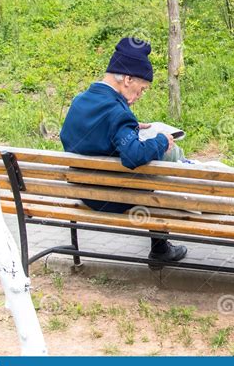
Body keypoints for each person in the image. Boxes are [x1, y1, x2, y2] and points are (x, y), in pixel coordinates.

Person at [60, 37, 187, 264]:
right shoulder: (118, 112)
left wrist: (128, 129)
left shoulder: (80, 102)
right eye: (141, 88)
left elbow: (73, 136)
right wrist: (160, 140)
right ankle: (160, 249)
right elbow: (133, 156)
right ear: (128, 78)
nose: (139, 96)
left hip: (83, 191)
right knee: (160, 163)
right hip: (111, 198)